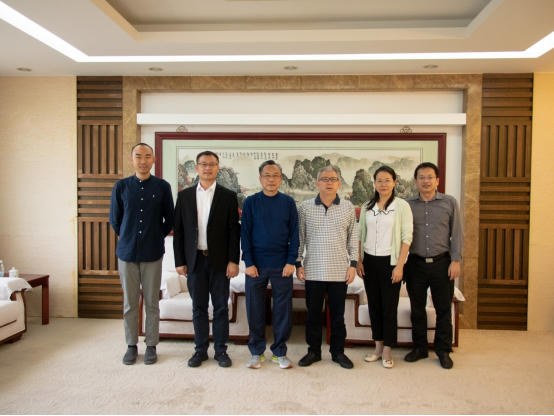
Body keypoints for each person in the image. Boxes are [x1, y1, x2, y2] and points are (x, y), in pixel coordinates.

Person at [173, 151, 241, 368]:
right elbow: (179, 231)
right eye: (203, 164)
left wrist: (233, 261)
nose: (207, 168)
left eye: (212, 164)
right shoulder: (184, 196)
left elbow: (234, 231)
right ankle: (200, 350)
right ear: (197, 168)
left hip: (220, 262)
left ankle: (221, 351)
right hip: (195, 262)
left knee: (221, 307)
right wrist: (179, 261)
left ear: (218, 168)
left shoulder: (228, 196)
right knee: (199, 308)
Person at [109, 143, 174, 366]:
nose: (143, 161)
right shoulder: (121, 186)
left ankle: (151, 345)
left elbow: (169, 219)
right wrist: (128, 236)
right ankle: (131, 345)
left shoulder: (162, 186)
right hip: (126, 253)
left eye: (147, 157)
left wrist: (154, 236)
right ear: (131, 160)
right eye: (138, 157)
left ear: (154, 160)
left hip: (152, 253)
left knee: (152, 302)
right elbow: (115, 219)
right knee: (130, 302)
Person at [296, 166, 358, 370]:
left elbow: (353, 238)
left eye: (333, 179)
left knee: (338, 316)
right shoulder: (305, 207)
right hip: (313, 269)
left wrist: (353, 265)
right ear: (317, 183)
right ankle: (313, 351)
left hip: (339, 271)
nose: (329, 182)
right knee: (313, 315)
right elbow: (299, 238)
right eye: (324, 179)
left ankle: (338, 352)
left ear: (339, 183)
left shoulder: (348, 207)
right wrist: (298, 263)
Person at [404, 162, 464, 370]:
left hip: (442, 263)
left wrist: (455, 260)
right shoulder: (407, 205)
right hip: (415, 263)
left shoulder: (449, 202)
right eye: (421, 177)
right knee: (417, 309)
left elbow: (457, 233)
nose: (426, 181)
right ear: (415, 181)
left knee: (443, 309)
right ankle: (420, 348)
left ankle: (443, 350)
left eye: (430, 177)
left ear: (437, 180)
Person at [241, 160, 299, 370]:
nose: (271, 179)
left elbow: (295, 234)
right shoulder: (251, 202)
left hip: (282, 264)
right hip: (255, 265)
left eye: (275, 175)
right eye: (267, 175)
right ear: (260, 179)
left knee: (283, 309)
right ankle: (256, 352)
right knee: (254, 308)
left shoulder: (288, 202)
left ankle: (279, 352)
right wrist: (248, 262)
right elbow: (245, 234)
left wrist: (291, 261)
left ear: (281, 179)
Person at [357, 166, 413, 369]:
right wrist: (359, 260)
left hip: (391, 263)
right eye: (379, 180)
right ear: (374, 183)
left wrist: (400, 266)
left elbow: (407, 237)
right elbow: (359, 234)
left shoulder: (402, 206)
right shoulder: (367, 205)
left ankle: (388, 349)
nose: (383, 184)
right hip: (369, 262)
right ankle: (378, 346)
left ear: (394, 182)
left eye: (387, 180)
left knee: (389, 308)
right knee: (374, 306)